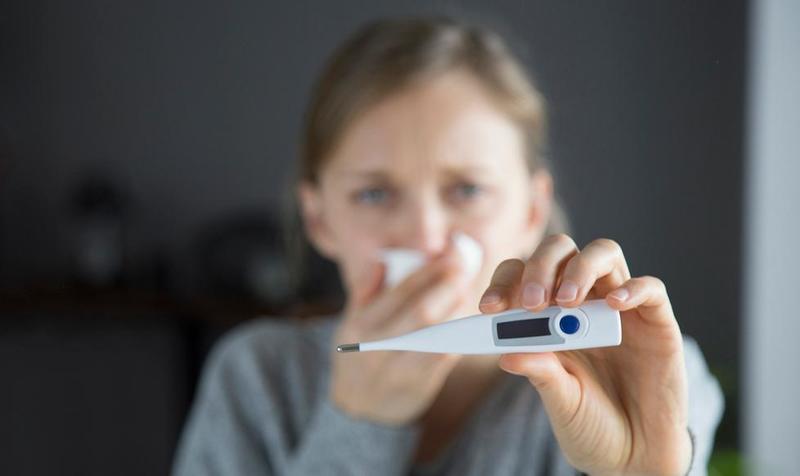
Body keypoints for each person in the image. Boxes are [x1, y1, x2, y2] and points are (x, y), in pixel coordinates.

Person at [172, 17, 723, 476]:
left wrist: (642, 471)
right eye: (374, 193)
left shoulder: (633, 368)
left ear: (532, 211)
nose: (427, 238)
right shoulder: (257, 378)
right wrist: (356, 426)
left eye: (467, 190)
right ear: (319, 221)